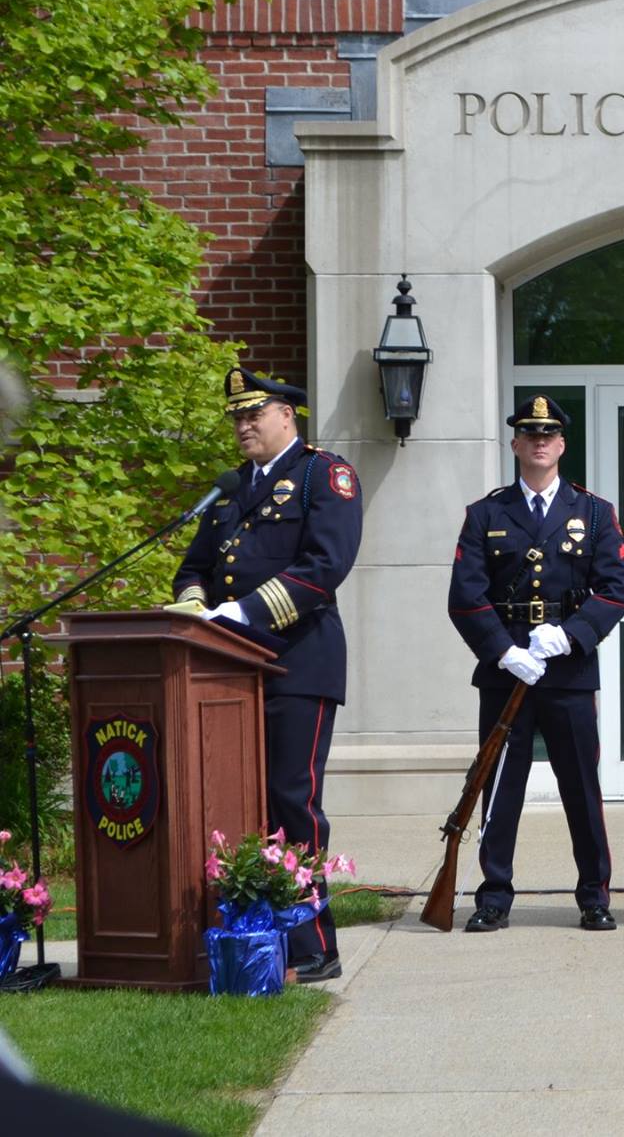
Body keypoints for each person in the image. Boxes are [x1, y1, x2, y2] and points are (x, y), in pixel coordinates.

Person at [171, 367, 361, 982]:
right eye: (236, 416)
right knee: (235, 801)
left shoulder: (322, 476)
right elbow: (192, 569)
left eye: (255, 413)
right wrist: (199, 605)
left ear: (289, 416)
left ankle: (312, 944)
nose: (244, 425)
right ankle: (247, 931)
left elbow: (324, 567)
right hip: (226, 673)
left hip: (297, 663)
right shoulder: (228, 492)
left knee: (291, 801)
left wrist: (245, 612)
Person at [447, 395, 624, 932]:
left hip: (568, 672)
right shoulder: (486, 513)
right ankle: (494, 896)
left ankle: (594, 894)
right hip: (508, 674)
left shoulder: (594, 512)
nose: (540, 442)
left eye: (549, 434)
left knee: (581, 787)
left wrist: (570, 636)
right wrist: (504, 651)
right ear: (515, 444)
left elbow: (615, 589)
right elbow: (465, 595)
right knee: (500, 786)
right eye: (529, 433)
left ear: (562, 444)